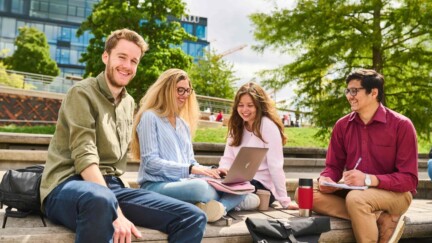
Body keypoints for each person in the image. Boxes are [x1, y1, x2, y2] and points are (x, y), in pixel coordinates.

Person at [39, 29, 206, 243]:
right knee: (99, 201)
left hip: (112, 188)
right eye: (122, 57)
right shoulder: (82, 93)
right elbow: (85, 157)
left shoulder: (129, 103)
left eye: (134, 61)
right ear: (106, 56)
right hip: (67, 185)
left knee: (192, 217)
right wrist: (116, 212)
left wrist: (114, 201)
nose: (127, 66)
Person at [302, 69, 418, 243]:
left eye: (355, 91)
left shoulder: (401, 125)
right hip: (356, 191)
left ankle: (369, 219)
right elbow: (333, 166)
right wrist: (326, 179)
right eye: (348, 91)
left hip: (396, 195)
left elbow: (409, 180)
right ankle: (379, 218)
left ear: (374, 92)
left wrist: (368, 180)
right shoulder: (342, 125)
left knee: (356, 199)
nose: (349, 96)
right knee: (304, 193)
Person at [130, 69, 247, 223]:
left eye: (187, 90)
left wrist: (213, 171)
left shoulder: (183, 124)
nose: (184, 95)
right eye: (180, 90)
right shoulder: (150, 117)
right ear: (166, 90)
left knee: (243, 184)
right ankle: (223, 204)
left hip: (182, 183)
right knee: (201, 188)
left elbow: (191, 162)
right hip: (156, 185)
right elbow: (151, 163)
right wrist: (190, 169)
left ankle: (218, 209)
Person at [219, 82, 298, 210]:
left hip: (261, 186)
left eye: (250, 105)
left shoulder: (267, 126)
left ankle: (221, 207)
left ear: (259, 106)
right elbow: (227, 158)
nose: (244, 110)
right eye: (241, 105)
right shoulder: (236, 126)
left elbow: (275, 166)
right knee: (211, 181)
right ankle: (229, 203)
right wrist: (222, 170)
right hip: (236, 182)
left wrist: (284, 200)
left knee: (243, 191)